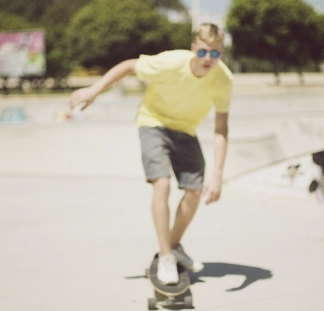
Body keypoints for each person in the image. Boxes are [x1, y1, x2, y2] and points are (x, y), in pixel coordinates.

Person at [68, 23, 232, 285]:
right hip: (153, 123)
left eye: (215, 54)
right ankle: (166, 256)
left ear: (222, 52)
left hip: (186, 130)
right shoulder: (171, 62)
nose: (207, 60)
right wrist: (94, 90)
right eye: (202, 52)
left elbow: (221, 127)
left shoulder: (224, 79)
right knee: (162, 183)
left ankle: (175, 245)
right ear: (193, 49)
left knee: (194, 191)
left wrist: (218, 174)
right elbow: (129, 66)